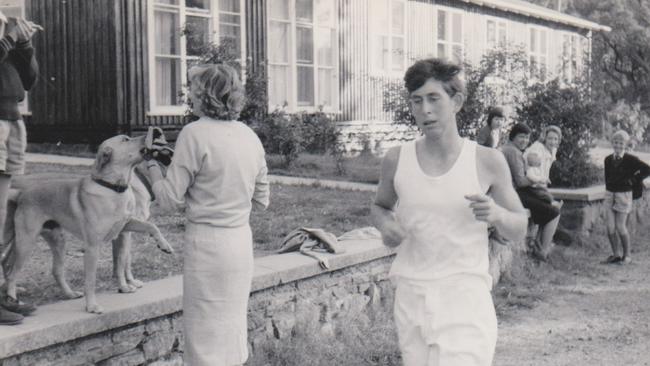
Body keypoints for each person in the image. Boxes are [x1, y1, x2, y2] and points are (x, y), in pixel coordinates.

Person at [371, 58, 527, 366]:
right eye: (417, 101)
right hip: (412, 295)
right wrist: (386, 225)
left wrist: (496, 214)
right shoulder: (396, 159)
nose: (425, 110)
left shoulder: (487, 161)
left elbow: (519, 226)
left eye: (433, 99)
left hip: (465, 297)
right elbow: (379, 207)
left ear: (456, 101)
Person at [147, 64, 270, 365]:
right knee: (230, 331)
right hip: (240, 243)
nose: (191, 94)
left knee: (204, 336)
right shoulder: (249, 136)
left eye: (194, 89)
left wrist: (152, 164)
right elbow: (262, 198)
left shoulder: (194, 133)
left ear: (205, 95)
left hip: (207, 245)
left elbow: (168, 199)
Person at [0, 10, 40, 325]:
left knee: (2, 214)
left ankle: (3, 291)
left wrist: (24, 46)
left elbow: (28, 80)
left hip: (12, 120)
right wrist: (10, 38)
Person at [501, 123, 560, 261]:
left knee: (548, 203)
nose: (525, 141)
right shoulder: (513, 152)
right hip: (514, 193)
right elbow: (521, 182)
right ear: (513, 136)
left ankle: (539, 247)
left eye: (527, 138)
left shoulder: (509, 148)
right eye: (521, 137)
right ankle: (541, 252)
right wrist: (539, 180)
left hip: (513, 191)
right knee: (554, 212)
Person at [602, 130, 650, 265]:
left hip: (624, 195)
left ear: (626, 144)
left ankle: (627, 255)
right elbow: (607, 178)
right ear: (612, 143)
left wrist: (633, 180)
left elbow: (647, 169)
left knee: (620, 226)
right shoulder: (608, 159)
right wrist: (608, 191)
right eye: (615, 142)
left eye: (621, 143)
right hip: (610, 194)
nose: (618, 145)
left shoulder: (630, 159)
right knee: (610, 227)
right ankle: (616, 254)